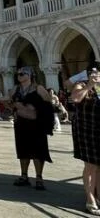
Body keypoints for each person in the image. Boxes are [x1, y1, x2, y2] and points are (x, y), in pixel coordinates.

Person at [11, 66, 54, 190]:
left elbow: (48, 104)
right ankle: (24, 176)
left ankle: (39, 177)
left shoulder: (38, 88)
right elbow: (10, 101)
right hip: (20, 123)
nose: (19, 75)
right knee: (23, 149)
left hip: (36, 124)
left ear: (30, 75)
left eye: (22, 73)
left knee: (38, 151)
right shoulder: (16, 89)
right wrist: (15, 107)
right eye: (18, 73)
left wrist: (35, 109)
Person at [70, 62, 100, 215]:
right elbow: (75, 99)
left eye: (98, 73)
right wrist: (89, 86)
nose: (96, 75)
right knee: (91, 166)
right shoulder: (80, 85)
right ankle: (90, 200)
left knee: (99, 167)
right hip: (87, 131)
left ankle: (98, 197)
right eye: (93, 73)